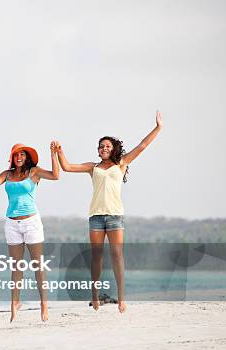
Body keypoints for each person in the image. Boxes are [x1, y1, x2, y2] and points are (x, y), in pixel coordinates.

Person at [56, 111, 163, 313]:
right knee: (96, 257)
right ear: (98, 151)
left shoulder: (121, 163)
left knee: (117, 255)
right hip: (96, 216)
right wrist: (58, 151)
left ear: (113, 149)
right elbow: (67, 167)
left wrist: (158, 127)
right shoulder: (93, 167)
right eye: (101, 146)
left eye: (107, 146)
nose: (104, 148)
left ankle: (122, 299)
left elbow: (142, 145)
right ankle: (95, 296)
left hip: (115, 215)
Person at [0, 141, 60, 322]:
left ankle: (44, 304)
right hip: (12, 224)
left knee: (37, 266)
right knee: (16, 267)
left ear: (27, 157)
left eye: (22, 155)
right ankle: (14, 304)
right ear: (12, 157)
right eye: (16, 155)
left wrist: (53, 154)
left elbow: (56, 175)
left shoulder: (34, 172)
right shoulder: (8, 174)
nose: (19, 158)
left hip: (32, 222)